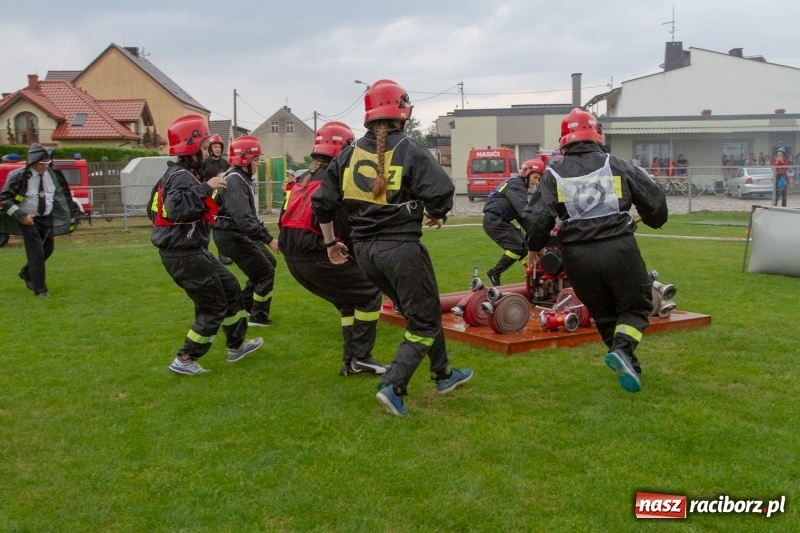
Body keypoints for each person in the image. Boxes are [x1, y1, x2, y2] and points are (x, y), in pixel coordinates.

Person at [312, 79, 473, 416]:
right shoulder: (410, 149)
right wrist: (436, 214)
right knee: (425, 322)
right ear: (403, 114)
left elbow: (322, 203)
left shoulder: (347, 154)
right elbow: (442, 190)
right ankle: (394, 385)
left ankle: (443, 374)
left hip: (365, 253)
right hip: (401, 250)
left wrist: (330, 244)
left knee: (423, 309)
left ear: (369, 116)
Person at [519, 108, 668, 393]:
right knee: (637, 306)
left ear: (565, 140)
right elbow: (655, 202)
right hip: (619, 249)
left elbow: (537, 219)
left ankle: (629, 366)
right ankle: (624, 350)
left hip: (577, 258)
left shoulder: (552, 173)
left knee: (604, 314)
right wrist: (653, 219)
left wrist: (534, 246)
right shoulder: (616, 164)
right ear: (596, 135)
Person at [151, 114, 263, 375]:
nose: (207, 151)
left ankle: (236, 345)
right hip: (183, 254)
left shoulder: (179, 174)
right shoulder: (181, 176)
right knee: (213, 307)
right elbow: (176, 209)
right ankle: (185, 357)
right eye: (203, 147)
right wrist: (205, 188)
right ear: (191, 148)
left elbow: (154, 209)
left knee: (231, 286)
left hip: (190, 250)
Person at [279, 121, 387, 377]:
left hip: (294, 258)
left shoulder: (302, 179)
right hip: (318, 254)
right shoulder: (338, 180)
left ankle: (351, 360)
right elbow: (345, 225)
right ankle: (361, 357)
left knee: (347, 301)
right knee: (370, 293)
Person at [212, 135, 280, 327]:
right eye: (256, 160)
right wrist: (269, 240)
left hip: (233, 232)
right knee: (265, 272)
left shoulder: (240, 178)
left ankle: (245, 307)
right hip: (231, 234)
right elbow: (244, 219)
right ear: (244, 160)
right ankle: (257, 316)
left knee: (268, 264)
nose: (258, 164)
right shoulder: (235, 181)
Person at [0, 144, 78, 297]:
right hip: (28, 219)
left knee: (48, 248)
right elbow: (5, 199)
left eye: (47, 164)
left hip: (46, 217)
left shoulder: (53, 175)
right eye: (41, 164)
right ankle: (40, 289)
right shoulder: (20, 176)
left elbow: (60, 196)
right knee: (36, 252)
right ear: (33, 162)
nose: (44, 167)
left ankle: (27, 272)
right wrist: (22, 216)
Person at [483, 158, 544, 286]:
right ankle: (494, 273)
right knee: (516, 247)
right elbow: (524, 212)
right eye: (535, 177)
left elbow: (522, 218)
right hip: (494, 221)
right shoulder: (516, 185)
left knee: (524, 247)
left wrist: (534, 237)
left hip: (498, 221)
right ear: (527, 173)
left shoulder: (518, 186)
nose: (536, 182)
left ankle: (534, 277)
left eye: (538, 179)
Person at [199, 133, 233, 264]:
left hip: (220, 199)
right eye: (215, 146)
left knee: (220, 227)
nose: (218, 149)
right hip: (206, 198)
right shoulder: (204, 163)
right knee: (205, 227)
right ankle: (203, 253)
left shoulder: (225, 164)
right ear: (210, 148)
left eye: (219, 146)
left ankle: (223, 255)